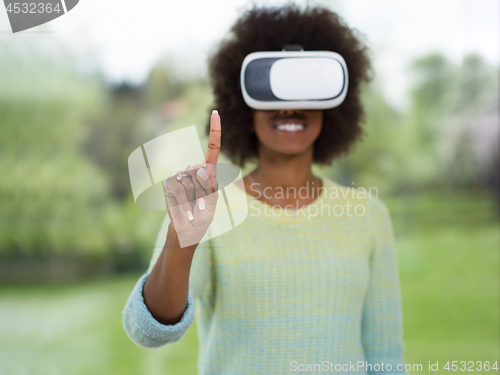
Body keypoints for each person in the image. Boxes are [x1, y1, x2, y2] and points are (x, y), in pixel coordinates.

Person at [123, 4, 408, 374]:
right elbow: (147, 332)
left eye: (306, 90)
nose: (289, 107)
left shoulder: (369, 216)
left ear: (334, 104)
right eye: (272, 89)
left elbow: (386, 358)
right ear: (243, 104)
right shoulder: (206, 209)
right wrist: (182, 239)